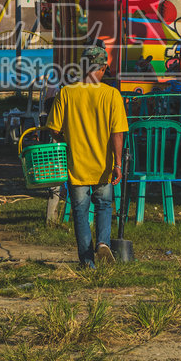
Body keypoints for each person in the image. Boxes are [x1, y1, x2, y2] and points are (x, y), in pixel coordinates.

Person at [44, 45, 128, 267]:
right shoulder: (112, 95)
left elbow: (53, 129)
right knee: (104, 205)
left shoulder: (66, 93)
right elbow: (117, 133)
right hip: (103, 166)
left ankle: (87, 261)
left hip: (76, 165)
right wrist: (118, 164)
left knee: (80, 212)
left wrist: (68, 134)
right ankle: (102, 242)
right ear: (101, 68)